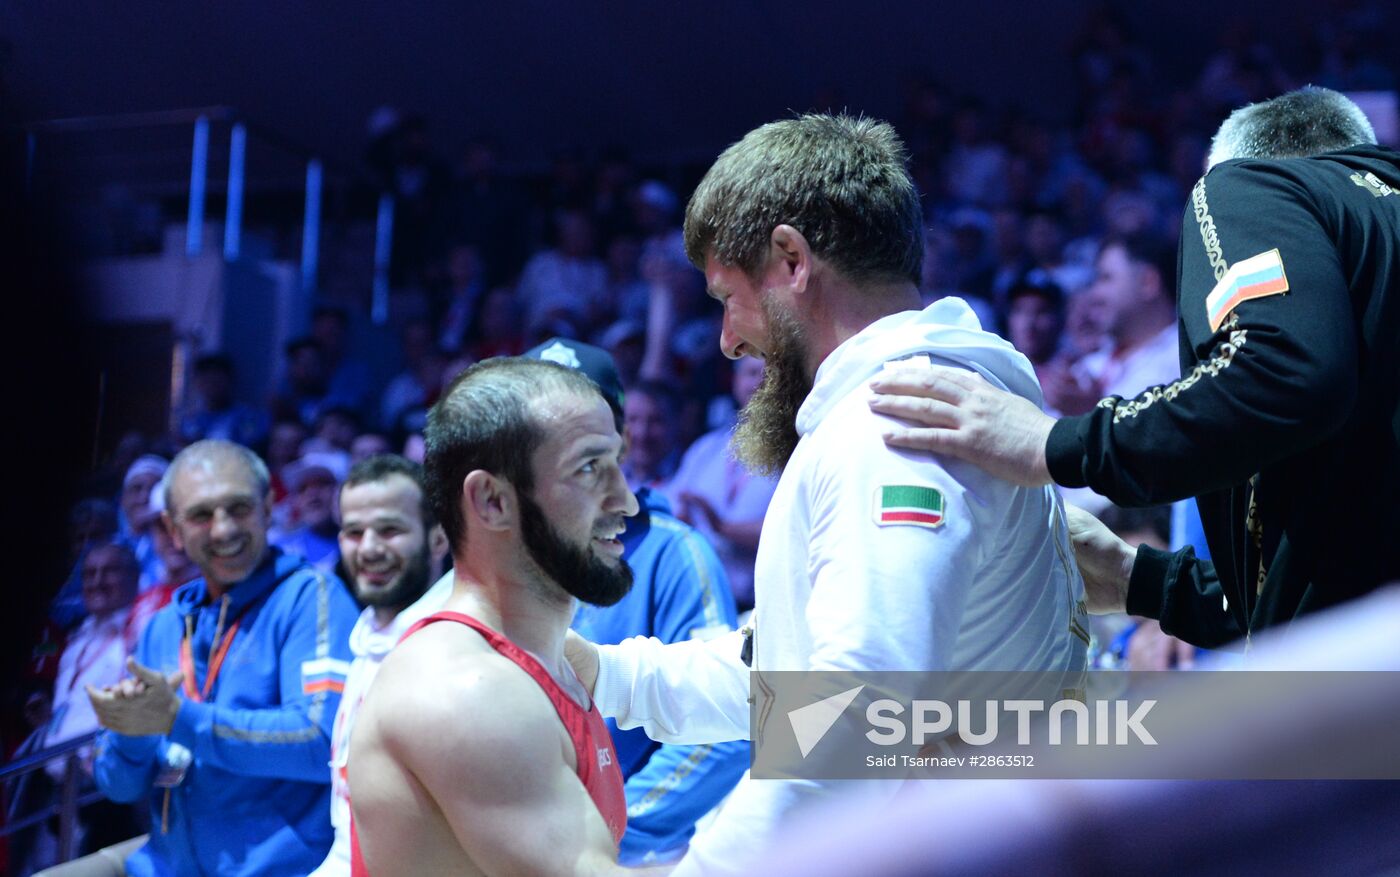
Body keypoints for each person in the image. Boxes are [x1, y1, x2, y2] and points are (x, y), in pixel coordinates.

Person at [570, 114, 1089, 876]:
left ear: (791, 261)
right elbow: (793, 675)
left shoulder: (890, 423)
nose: (728, 339)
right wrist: (600, 673)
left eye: (727, 297)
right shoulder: (915, 401)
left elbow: (858, 709)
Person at [868, 86, 1400, 648]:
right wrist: (1142, 581)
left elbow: (1282, 372)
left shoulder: (1248, 183)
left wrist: (1053, 443)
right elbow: (1351, 546)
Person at [348, 358, 665, 876]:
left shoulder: (555, 662)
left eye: (617, 463)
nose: (627, 501)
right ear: (492, 501)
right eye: (589, 468)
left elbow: (745, 693)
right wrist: (808, 841)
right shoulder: (466, 688)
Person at [89, 439, 358, 877]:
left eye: (239, 508)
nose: (223, 530)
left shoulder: (312, 597)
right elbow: (117, 786)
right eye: (201, 515)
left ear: (268, 508)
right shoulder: (162, 627)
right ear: (173, 529)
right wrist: (132, 734)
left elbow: (320, 742)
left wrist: (178, 718)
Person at [526, 338, 749, 865]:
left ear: (620, 440)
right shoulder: (496, 552)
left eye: (582, 426)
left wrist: (606, 833)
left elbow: (731, 731)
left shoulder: (678, 555)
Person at [309, 454, 450, 877]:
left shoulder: (456, 646)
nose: (369, 548)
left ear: (439, 539)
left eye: (390, 530)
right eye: (354, 532)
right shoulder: (369, 641)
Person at [666, 356, 778, 611]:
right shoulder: (707, 447)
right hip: (698, 599)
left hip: (756, 606)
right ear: (735, 381)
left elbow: (792, 529)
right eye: (751, 373)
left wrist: (722, 528)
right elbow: (673, 508)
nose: (760, 382)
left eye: (771, 375)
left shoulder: (795, 450)